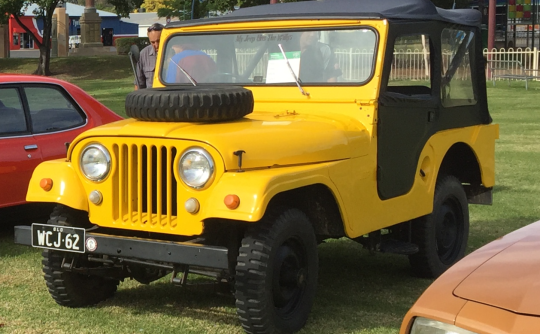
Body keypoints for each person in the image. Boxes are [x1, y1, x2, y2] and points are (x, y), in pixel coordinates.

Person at [135, 23, 164, 89]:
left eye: (159, 41)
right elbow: (139, 84)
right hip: (151, 97)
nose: (156, 45)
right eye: (153, 42)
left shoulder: (174, 52)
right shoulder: (144, 54)